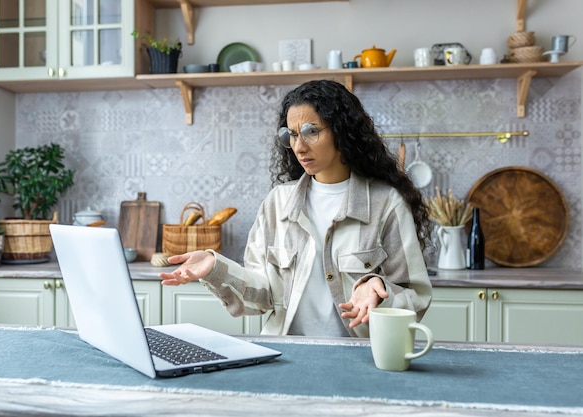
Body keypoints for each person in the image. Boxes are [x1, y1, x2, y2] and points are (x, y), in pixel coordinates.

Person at [160, 79, 433, 338]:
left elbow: (416, 299)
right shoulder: (278, 202)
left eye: (311, 132)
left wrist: (381, 289)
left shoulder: (386, 204)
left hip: (361, 358)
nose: (299, 147)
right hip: (288, 355)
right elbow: (260, 299)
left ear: (342, 131)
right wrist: (214, 268)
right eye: (291, 135)